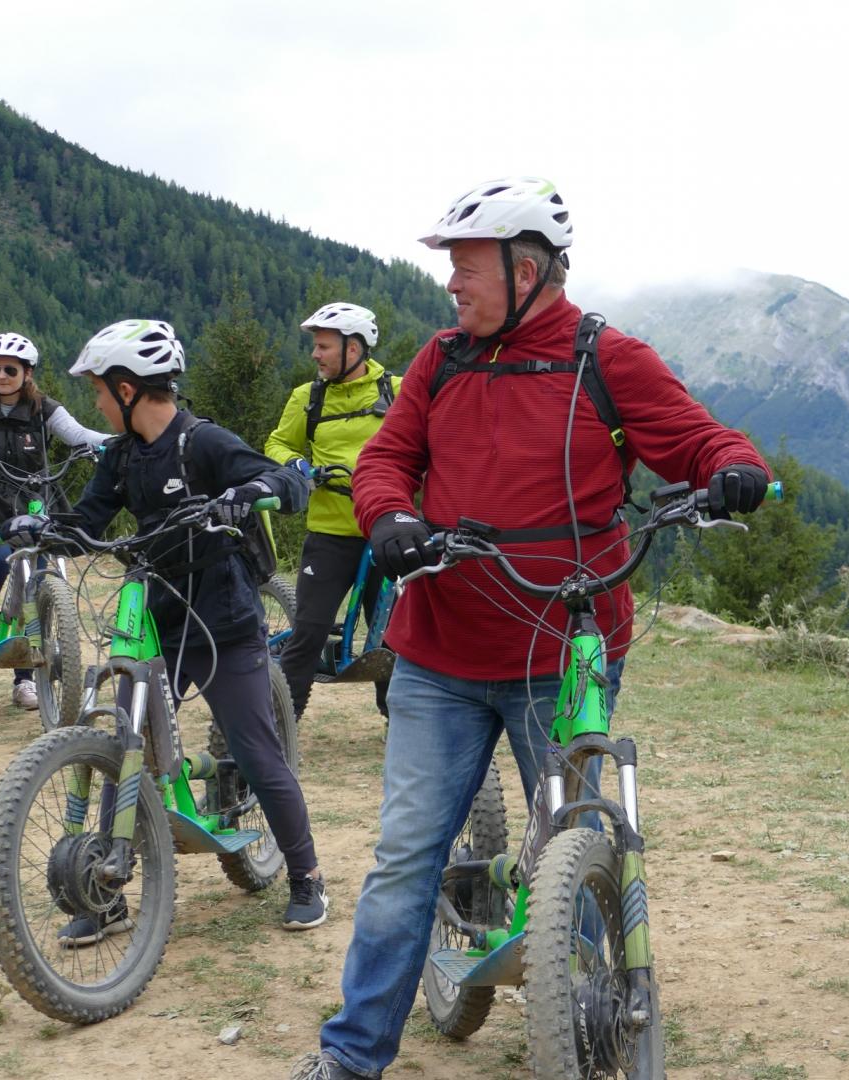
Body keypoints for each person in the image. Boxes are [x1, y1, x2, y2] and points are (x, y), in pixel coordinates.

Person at [294, 177, 770, 1080]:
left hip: (565, 650)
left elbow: (702, 441)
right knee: (403, 862)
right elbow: (388, 457)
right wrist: (388, 514)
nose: (451, 286)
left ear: (529, 269)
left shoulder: (606, 358)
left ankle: (586, 1033)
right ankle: (351, 1058)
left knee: (578, 847)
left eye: (465, 269)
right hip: (438, 653)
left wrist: (736, 468)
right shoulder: (440, 361)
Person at [14, 318, 327, 939]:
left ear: (128, 389)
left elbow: (287, 480)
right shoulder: (123, 455)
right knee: (123, 744)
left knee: (257, 750)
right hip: (154, 615)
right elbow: (89, 518)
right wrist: (43, 528)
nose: (96, 401)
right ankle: (106, 892)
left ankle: (306, 875)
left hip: (221, 618)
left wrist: (255, 491)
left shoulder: (203, 442)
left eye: (101, 389)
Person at [264, 302, 396, 721]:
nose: (315, 355)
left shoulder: (397, 390)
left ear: (354, 348)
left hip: (387, 528)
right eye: (315, 346)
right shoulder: (308, 397)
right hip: (330, 532)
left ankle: (399, 720)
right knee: (309, 633)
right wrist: (299, 466)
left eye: (323, 346)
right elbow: (277, 444)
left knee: (396, 637)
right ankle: (283, 723)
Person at [0, 331, 110, 708]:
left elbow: (79, 436)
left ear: (27, 372)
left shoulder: (43, 409)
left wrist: (118, 442)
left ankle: (26, 681)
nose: (2, 375)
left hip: (32, 506)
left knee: (36, 582)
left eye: (10, 369)